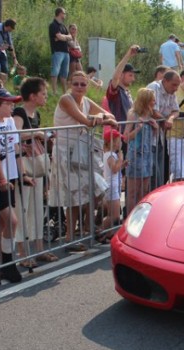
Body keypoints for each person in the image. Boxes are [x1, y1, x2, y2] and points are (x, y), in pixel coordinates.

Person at [49, 71, 118, 253]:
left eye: (83, 84)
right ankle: (70, 238)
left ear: (87, 86)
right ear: (70, 84)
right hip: (65, 153)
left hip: (80, 153)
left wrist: (99, 118)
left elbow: (109, 116)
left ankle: (87, 226)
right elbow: (85, 121)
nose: (79, 87)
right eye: (76, 83)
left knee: (96, 189)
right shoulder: (66, 99)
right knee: (73, 198)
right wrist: (98, 120)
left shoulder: (86, 101)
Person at [0, 88, 30, 283]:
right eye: (8, 103)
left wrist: (23, 174)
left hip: (10, 176)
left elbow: (16, 150)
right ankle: (8, 263)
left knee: (4, 224)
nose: (13, 106)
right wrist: (2, 179)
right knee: (11, 222)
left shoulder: (11, 121)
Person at [12, 77, 57, 267]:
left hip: (36, 166)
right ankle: (23, 254)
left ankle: (39, 249)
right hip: (23, 166)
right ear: (32, 96)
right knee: (23, 210)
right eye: (43, 94)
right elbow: (13, 135)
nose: (46, 97)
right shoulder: (19, 112)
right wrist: (37, 134)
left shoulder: (35, 114)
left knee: (38, 208)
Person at [123, 88, 157, 215]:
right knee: (133, 191)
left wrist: (155, 128)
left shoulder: (149, 113)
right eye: (152, 100)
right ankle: (130, 217)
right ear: (146, 100)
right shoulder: (133, 114)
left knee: (144, 190)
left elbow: (151, 136)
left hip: (148, 155)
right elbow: (125, 137)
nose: (154, 102)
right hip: (135, 156)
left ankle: (140, 217)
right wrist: (138, 128)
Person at [147, 69, 180, 187]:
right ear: (165, 81)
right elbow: (152, 110)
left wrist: (170, 119)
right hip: (148, 137)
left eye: (178, 85)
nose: (176, 88)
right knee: (152, 172)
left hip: (160, 137)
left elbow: (176, 111)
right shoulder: (154, 87)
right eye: (174, 85)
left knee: (160, 172)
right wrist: (165, 120)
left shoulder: (172, 93)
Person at [98, 128, 126, 243]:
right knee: (114, 215)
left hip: (113, 186)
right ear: (113, 142)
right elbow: (114, 169)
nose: (121, 143)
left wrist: (122, 165)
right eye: (119, 140)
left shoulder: (109, 155)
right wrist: (120, 159)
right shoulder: (111, 155)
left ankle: (108, 233)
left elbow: (115, 169)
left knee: (113, 214)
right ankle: (100, 232)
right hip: (111, 187)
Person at [106, 45, 140, 133]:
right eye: (130, 75)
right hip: (120, 134)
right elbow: (115, 77)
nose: (133, 79)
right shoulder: (116, 92)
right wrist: (128, 55)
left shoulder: (128, 92)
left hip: (130, 134)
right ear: (121, 74)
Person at [48, 7, 71, 95]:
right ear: (60, 13)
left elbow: (69, 37)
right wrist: (62, 37)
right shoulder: (53, 25)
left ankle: (64, 92)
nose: (65, 15)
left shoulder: (63, 26)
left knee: (64, 73)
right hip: (57, 51)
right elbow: (59, 37)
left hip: (66, 51)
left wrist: (62, 37)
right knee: (55, 71)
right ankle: (54, 92)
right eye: (64, 13)